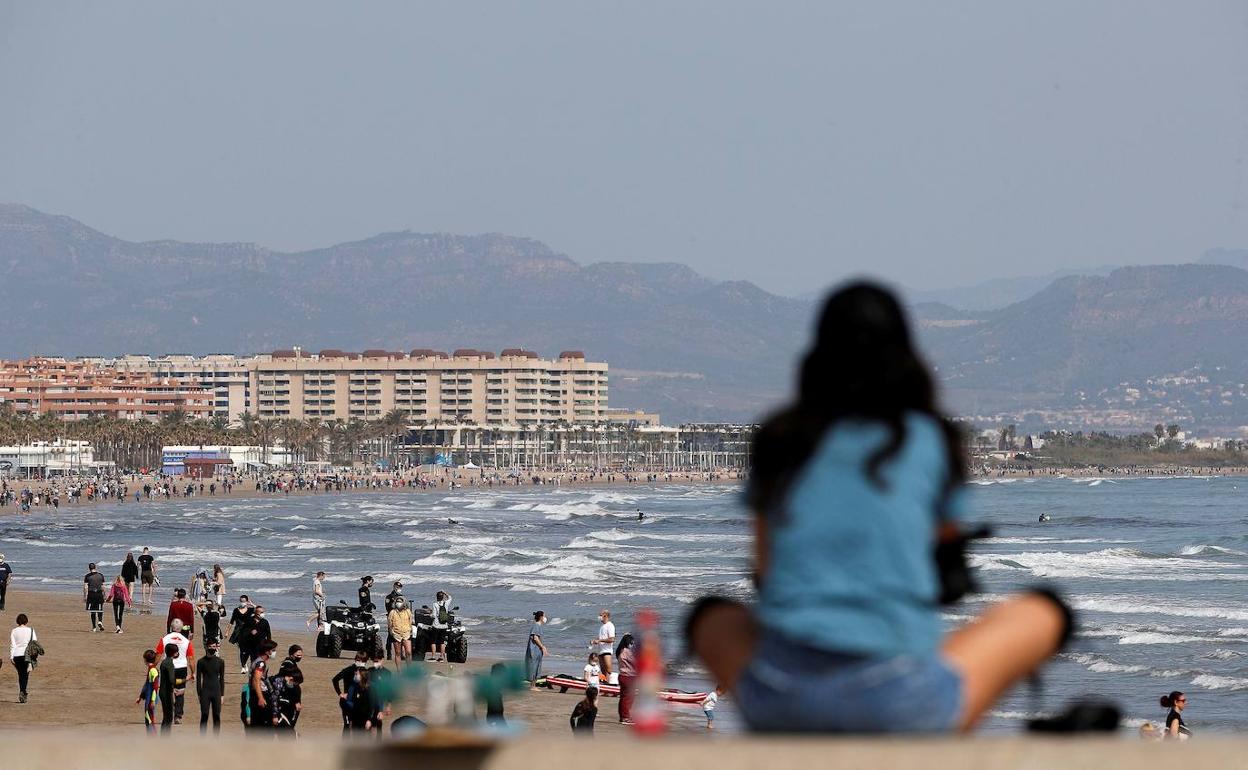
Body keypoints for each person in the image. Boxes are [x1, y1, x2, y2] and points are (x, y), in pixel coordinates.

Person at [685, 282, 1072, 733]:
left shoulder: (781, 436)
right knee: (1044, 611)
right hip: (902, 705)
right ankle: (945, 732)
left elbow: (765, 569)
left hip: (784, 699)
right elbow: (945, 566)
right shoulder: (930, 438)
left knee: (711, 616)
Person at [156, 619, 194, 724]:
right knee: (180, 692)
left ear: (171, 627)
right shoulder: (186, 641)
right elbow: (191, 658)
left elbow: (158, 654)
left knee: (167, 690)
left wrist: (153, 666)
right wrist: (193, 672)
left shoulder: (165, 639)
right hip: (181, 667)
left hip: (167, 667)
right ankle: (178, 716)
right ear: (181, 628)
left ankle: (168, 713)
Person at [332, 652, 370, 732]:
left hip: (359, 701)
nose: (360, 662)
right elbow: (335, 679)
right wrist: (340, 693)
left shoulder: (365, 672)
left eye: (362, 661)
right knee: (348, 724)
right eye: (358, 660)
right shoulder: (348, 670)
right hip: (347, 701)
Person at [247, 640, 278, 731]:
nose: (274, 653)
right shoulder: (260, 663)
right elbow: (256, 680)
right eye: (273, 650)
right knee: (264, 723)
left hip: (256, 693)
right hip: (260, 694)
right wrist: (260, 697)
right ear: (267, 651)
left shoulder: (257, 661)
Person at [196, 641, 226, 733]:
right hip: (205, 691)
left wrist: (222, 695)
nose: (212, 648)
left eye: (214, 646)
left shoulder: (220, 661)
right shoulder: (201, 662)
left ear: (216, 647)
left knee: (216, 715)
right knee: (204, 715)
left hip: (216, 691)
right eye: (210, 646)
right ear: (206, 647)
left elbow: (222, 679)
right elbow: (198, 679)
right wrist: (199, 694)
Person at [9, 613, 36, 703]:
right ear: (26, 621)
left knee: (21, 674)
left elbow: (13, 645)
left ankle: (23, 692)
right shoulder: (31, 630)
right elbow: (34, 643)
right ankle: (23, 692)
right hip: (27, 655)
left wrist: (11, 657)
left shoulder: (14, 631)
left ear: (17, 621)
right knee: (25, 675)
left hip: (17, 655)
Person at [228, 594, 255, 672]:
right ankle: (243, 665)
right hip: (239, 632)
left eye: (244, 601)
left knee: (249, 649)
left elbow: (259, 610)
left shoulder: (250, 610)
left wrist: (252, 604)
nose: (242, 602)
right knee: (241, 649)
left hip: (249, 632)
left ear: (246, 601)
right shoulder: (236, 610)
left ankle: (246, 663)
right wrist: (227, 632)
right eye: (241, 601)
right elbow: (231, 621)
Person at [136, 649, 160, 734]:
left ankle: (153, 740)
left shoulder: (153, 671)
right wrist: (141, 697)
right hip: (149, 697)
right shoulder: (150, 669)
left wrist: (153, 700)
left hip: (151, 697)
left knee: (149, 718)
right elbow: (147, 685)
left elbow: (155, 687)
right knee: (148, 718)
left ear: (145, 660)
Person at [158, 642, 179, 733]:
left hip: (163, 691)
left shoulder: (164, 662)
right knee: (168, 717)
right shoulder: (169, 663)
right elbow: (172, 680)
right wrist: (183, 680)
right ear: (174, 653)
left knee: (166, 716)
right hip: (166, 692)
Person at [616, 633, 637, 724]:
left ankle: (623, 716)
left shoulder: (620, 651)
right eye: (632, 643)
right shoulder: (627, 652)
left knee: (623, 697)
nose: (633, 645)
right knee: (628, 698)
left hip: (622, 676)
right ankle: (625, 717)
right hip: (628, 677)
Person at [387, 597, 414, 667]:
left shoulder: (408, 611)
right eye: (397, 601)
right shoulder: (392, 612)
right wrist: (391, 632)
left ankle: (409, 668)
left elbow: (410, 622)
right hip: (396, 634)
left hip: (406, 633)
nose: (398, 603)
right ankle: (399, 671)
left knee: (408, 652)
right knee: (398, 653)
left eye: (400, 601)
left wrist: (411, 630)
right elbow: (390, 623)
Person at [427, 590, 453, 662]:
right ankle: (441, 657)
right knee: (442, 642)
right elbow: (450, 597)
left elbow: (434, 615)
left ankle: (433, 657)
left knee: (433, 641)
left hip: (436, 625)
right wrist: (445, 592)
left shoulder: (435, 604)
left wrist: (430, 614)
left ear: (437, 597)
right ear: (443, 597)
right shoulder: (446, 603)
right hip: (444, 626)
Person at [525, 611, 548, 685]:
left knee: (537, 666)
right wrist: (542, 647)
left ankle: (533, 685)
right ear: (541, 617)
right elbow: (535, 638)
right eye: (544, 616)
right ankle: (532, 686)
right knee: (533, 666)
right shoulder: (536, 626)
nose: (545, 618)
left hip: (537, 650)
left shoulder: (538, 626)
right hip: (534, 650)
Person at [592, 609, 616, 679]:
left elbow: (612, 639)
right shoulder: (602, 627)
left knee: (608, 671)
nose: (599, 617)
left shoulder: (610, 625)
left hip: (607, 651)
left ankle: (612, 683)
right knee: (603, 671)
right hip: (601, 651)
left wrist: (599, 640)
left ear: (605, 615)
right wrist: (595, 641)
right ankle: (605, 684)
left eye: (600, 615)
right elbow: (602, 638)